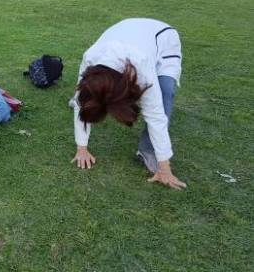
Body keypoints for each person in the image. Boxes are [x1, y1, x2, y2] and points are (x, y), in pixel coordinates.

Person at [71, 18, 186, 190]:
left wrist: (164, 168)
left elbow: (156, 117)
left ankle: (147, 150)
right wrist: (81, 148)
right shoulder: (90, 58)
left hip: (163, 38)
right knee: (87, 99)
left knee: (164, 94)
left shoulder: (142, 68)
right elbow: (82, 104)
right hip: (126, 31)